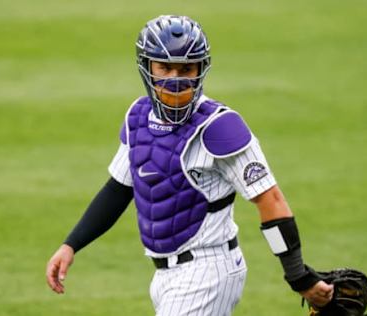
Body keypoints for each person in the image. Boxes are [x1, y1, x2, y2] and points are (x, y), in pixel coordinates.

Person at [46, 15, 333, 315]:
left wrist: (298, 276)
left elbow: (270, 201)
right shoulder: (138, 117)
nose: (175, 78)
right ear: (147, 68)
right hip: (163, 277)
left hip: (208, 274)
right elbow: (119, 189)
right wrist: (72, 244)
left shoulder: (221, 128)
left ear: (201, 69)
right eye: (165, 67)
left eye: (186, 68)